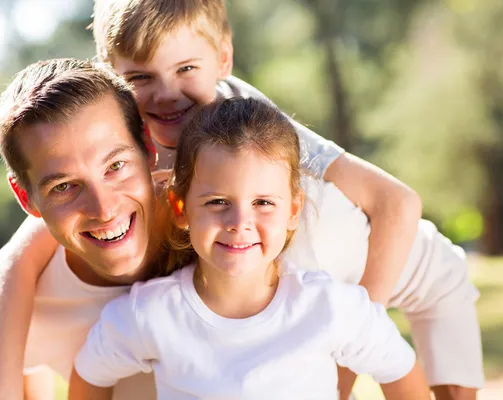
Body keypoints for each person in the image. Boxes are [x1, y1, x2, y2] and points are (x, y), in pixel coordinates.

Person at [0, 1, 483, 399]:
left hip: (415, 268)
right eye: (141, 78)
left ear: (223, 59)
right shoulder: (134, 149)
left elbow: (396, 204)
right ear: (115, 75)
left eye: (185, 70)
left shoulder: (260, 144)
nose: (167, 95)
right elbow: (21, 253)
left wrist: (347, 353)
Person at [68, 97, 431, 400]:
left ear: (292, 211)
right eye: (217, 202)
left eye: (263, 203)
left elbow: (401, 371)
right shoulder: (150, 315)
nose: (239, 222)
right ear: (181, 209)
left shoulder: (331, 307)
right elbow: (90, 374)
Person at [0, 58, 161, 400]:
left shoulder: (211, 217)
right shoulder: (27, 289)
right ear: (26, 198)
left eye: (115, 166)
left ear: (148, 147)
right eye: (64, 186)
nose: (103, 210)